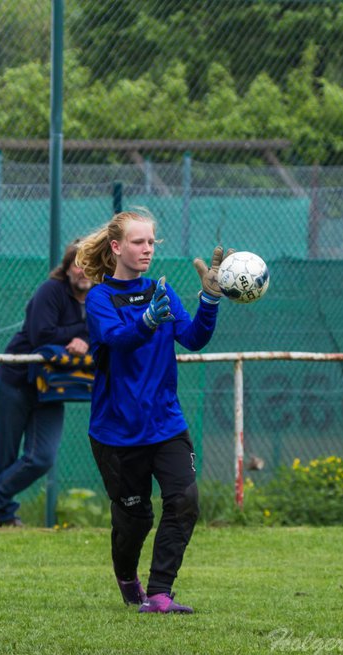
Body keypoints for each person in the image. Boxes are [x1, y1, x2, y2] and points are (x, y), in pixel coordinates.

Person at [78, 210, 234, 614]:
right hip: (117, 431)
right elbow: (117, 338)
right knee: (135, 519)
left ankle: (161, 593)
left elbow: (194, 338)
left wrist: (211, 299)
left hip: (165, 422)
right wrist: (147, 321)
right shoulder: (99, 298)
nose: (147, 249)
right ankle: (127, 579)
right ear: (116, 247)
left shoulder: (161, 291)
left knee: (184, 501)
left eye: (151, 242)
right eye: (137, 242)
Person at [0, 241, 92, 527]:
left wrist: (86, 339)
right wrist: (82, 334)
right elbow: (41, 334)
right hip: (17, 379)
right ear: (67, 267)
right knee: (2, 456)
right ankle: (1, 516)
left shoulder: (99, 299)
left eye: (90, 264)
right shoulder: (51, 291)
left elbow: (104, 334)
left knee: (42, 457)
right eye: (78, 263)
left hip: (54, 387)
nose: (84, 271)